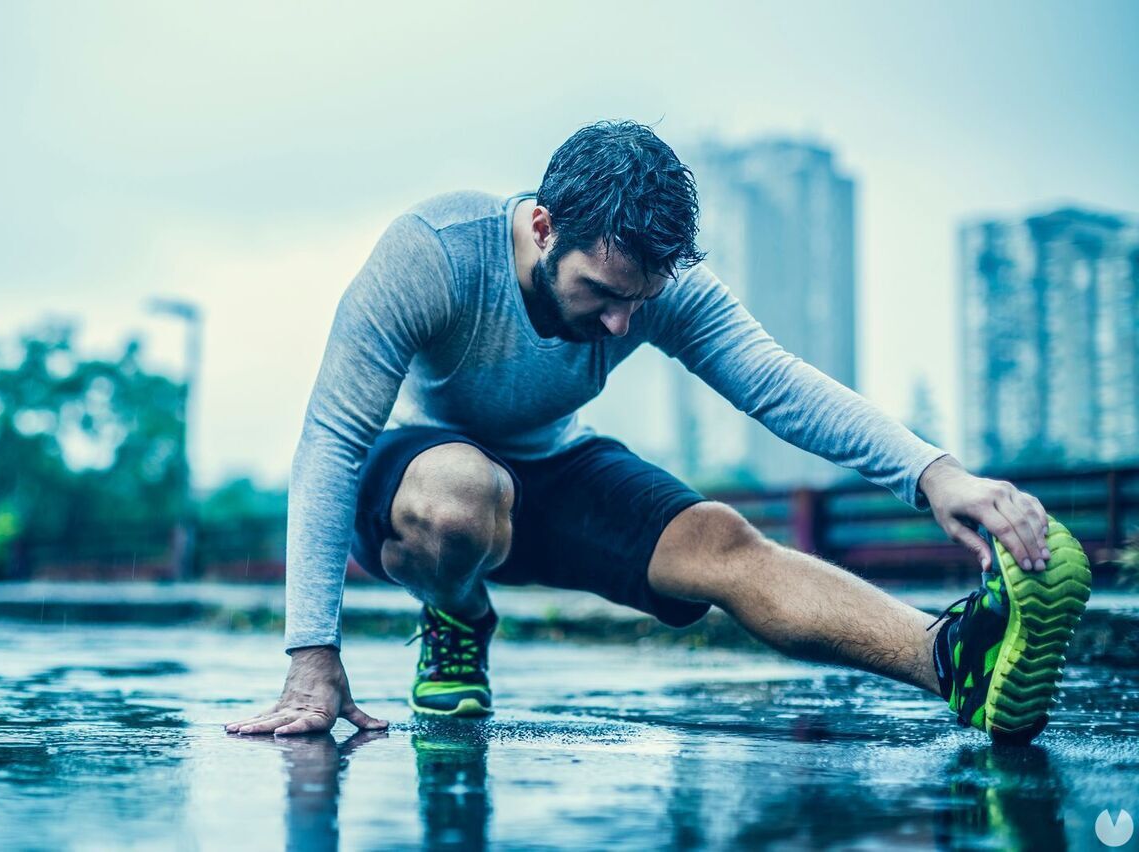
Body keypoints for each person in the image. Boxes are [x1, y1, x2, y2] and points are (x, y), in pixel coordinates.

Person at [225, 121, 1090, 746]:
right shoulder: (434, 253)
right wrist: (312, 656)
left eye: (637, 302)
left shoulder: (652, 284)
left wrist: (935, 474)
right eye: (601, 293)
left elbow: (777, 383)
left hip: (556, 464)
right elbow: (332, 438)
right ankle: (457, 618)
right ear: (541, 228)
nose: (619, 325)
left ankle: (953, 662)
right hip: (422, 478)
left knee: (722, 540)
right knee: (462, 493)